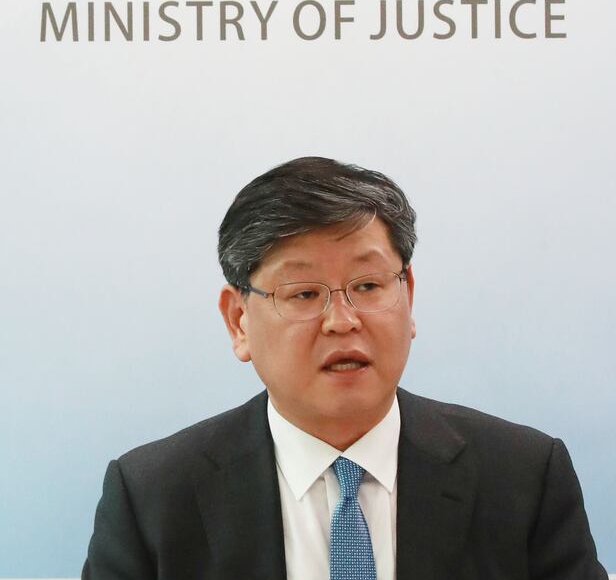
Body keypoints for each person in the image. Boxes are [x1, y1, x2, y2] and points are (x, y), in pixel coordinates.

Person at [82, 156, 608, 579]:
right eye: (304, 293)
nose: (342, 320)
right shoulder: (152, 498)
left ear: (408, 295)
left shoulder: (523, 477)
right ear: (239, 321)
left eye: (368, 286)